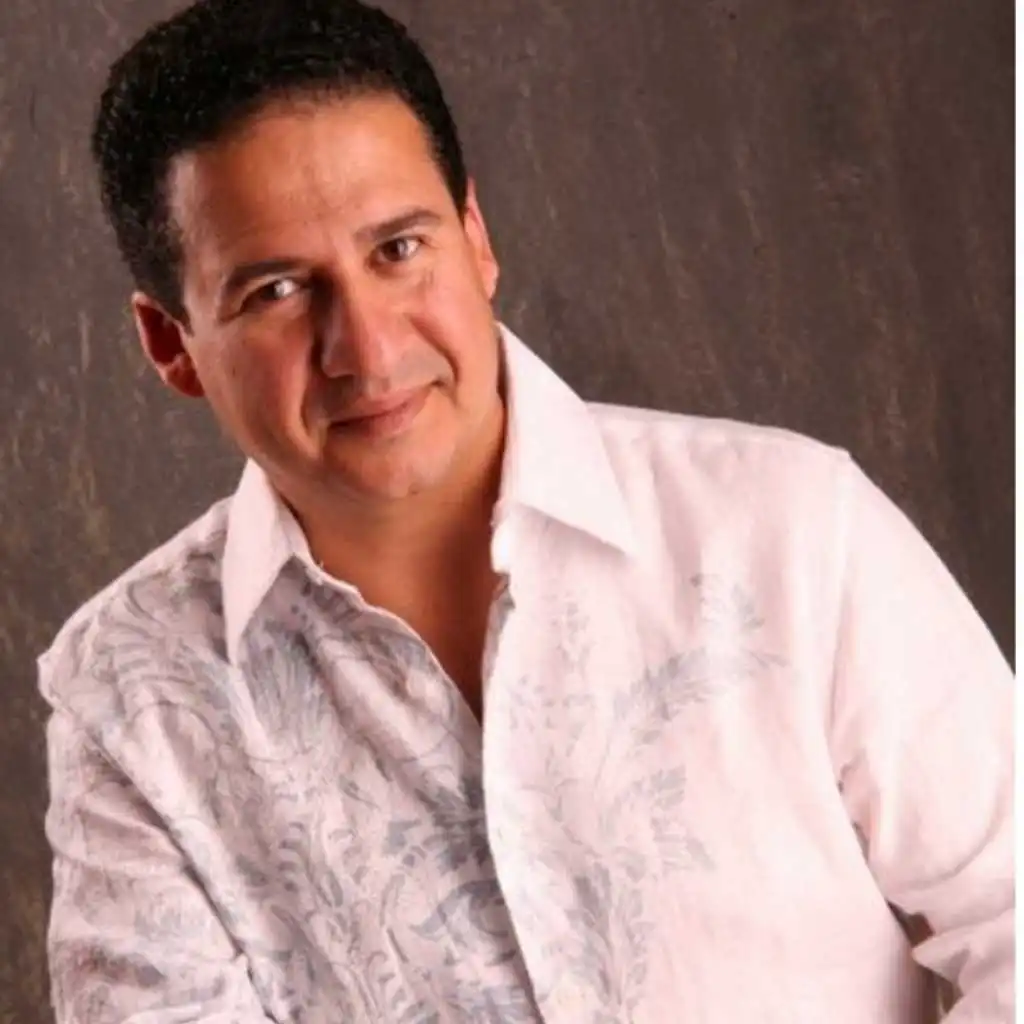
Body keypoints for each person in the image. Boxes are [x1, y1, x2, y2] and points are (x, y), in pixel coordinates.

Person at [37, 0, 1013, 1021]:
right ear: (172, 344)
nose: (368, 350)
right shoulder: (129, 695)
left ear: (475, 239)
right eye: (276, 290)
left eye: (398, 248)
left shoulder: (789, 530)